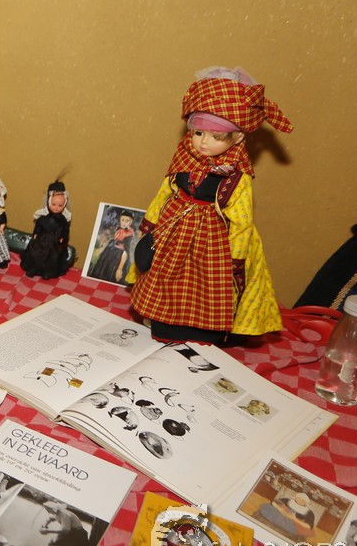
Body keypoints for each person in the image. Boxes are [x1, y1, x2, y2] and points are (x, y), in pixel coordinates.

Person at [126, 67, 293, 344]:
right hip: (174, 231)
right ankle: (162, 320)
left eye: (216, 137)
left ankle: (203, 330)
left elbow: (242, 220)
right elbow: (164, 193)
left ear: (238, 137)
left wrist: (236, 257)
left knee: (206, 287)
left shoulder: (238, 176)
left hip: (211, 240)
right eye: (198, 132)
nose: (203, 142)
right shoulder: (183, 158)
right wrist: (151, 225)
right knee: (164, 278)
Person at [21, 179, 72, 279]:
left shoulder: (63, 220)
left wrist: (63, 237)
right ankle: (33, 269)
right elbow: (38, 225)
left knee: (53, 258)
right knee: (35, 254)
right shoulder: (43, 217)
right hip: (42, 240)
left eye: (60, 205)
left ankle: (48, 272)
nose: (56, 208)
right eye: (54, 204)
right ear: (49, 202)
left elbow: (66, 229)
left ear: (64, 204)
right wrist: (35, 234)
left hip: (54, 242)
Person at [89, 211, 136, 284]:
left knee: (111, 274)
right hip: (109, 253)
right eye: (122, 220)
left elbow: (125, 251)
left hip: (118, 257)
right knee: (101, 271)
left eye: (127, 221)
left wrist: (120, 269)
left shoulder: (129, 234)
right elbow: (113, 240)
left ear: (131, 222)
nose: (124, 223)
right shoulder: (118, 229)